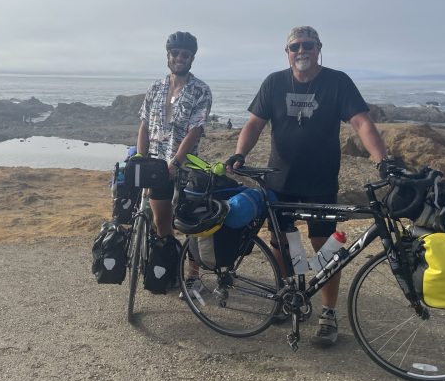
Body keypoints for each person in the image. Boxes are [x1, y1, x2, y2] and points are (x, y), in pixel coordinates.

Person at [226, 25, 389, 347]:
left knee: (325, 247)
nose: (302, 51)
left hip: (320, 182)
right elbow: (254, 123)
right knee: (283, 243)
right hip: (280, 181)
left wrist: (382, 159)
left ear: (319, 48)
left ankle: (328, 314)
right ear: (286, 52)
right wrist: (239, 153)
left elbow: (361, 121)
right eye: (295, 46)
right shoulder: (274, 83)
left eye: (308, 45)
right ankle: (287, 297)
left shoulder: (337, 81)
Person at [137, 31, 212, 285]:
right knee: (162, 221)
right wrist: (139, 158)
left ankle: (193, 275)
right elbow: (144, 126)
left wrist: (177, 161)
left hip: (185, 166)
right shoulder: (155, 88)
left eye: (185, 54)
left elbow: (195, 129)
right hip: (156, 167)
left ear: (192, 58)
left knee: (189, 224)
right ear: (168, 56)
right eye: (175, 53)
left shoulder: (201, 90)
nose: (180, 58)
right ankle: (167, 264)